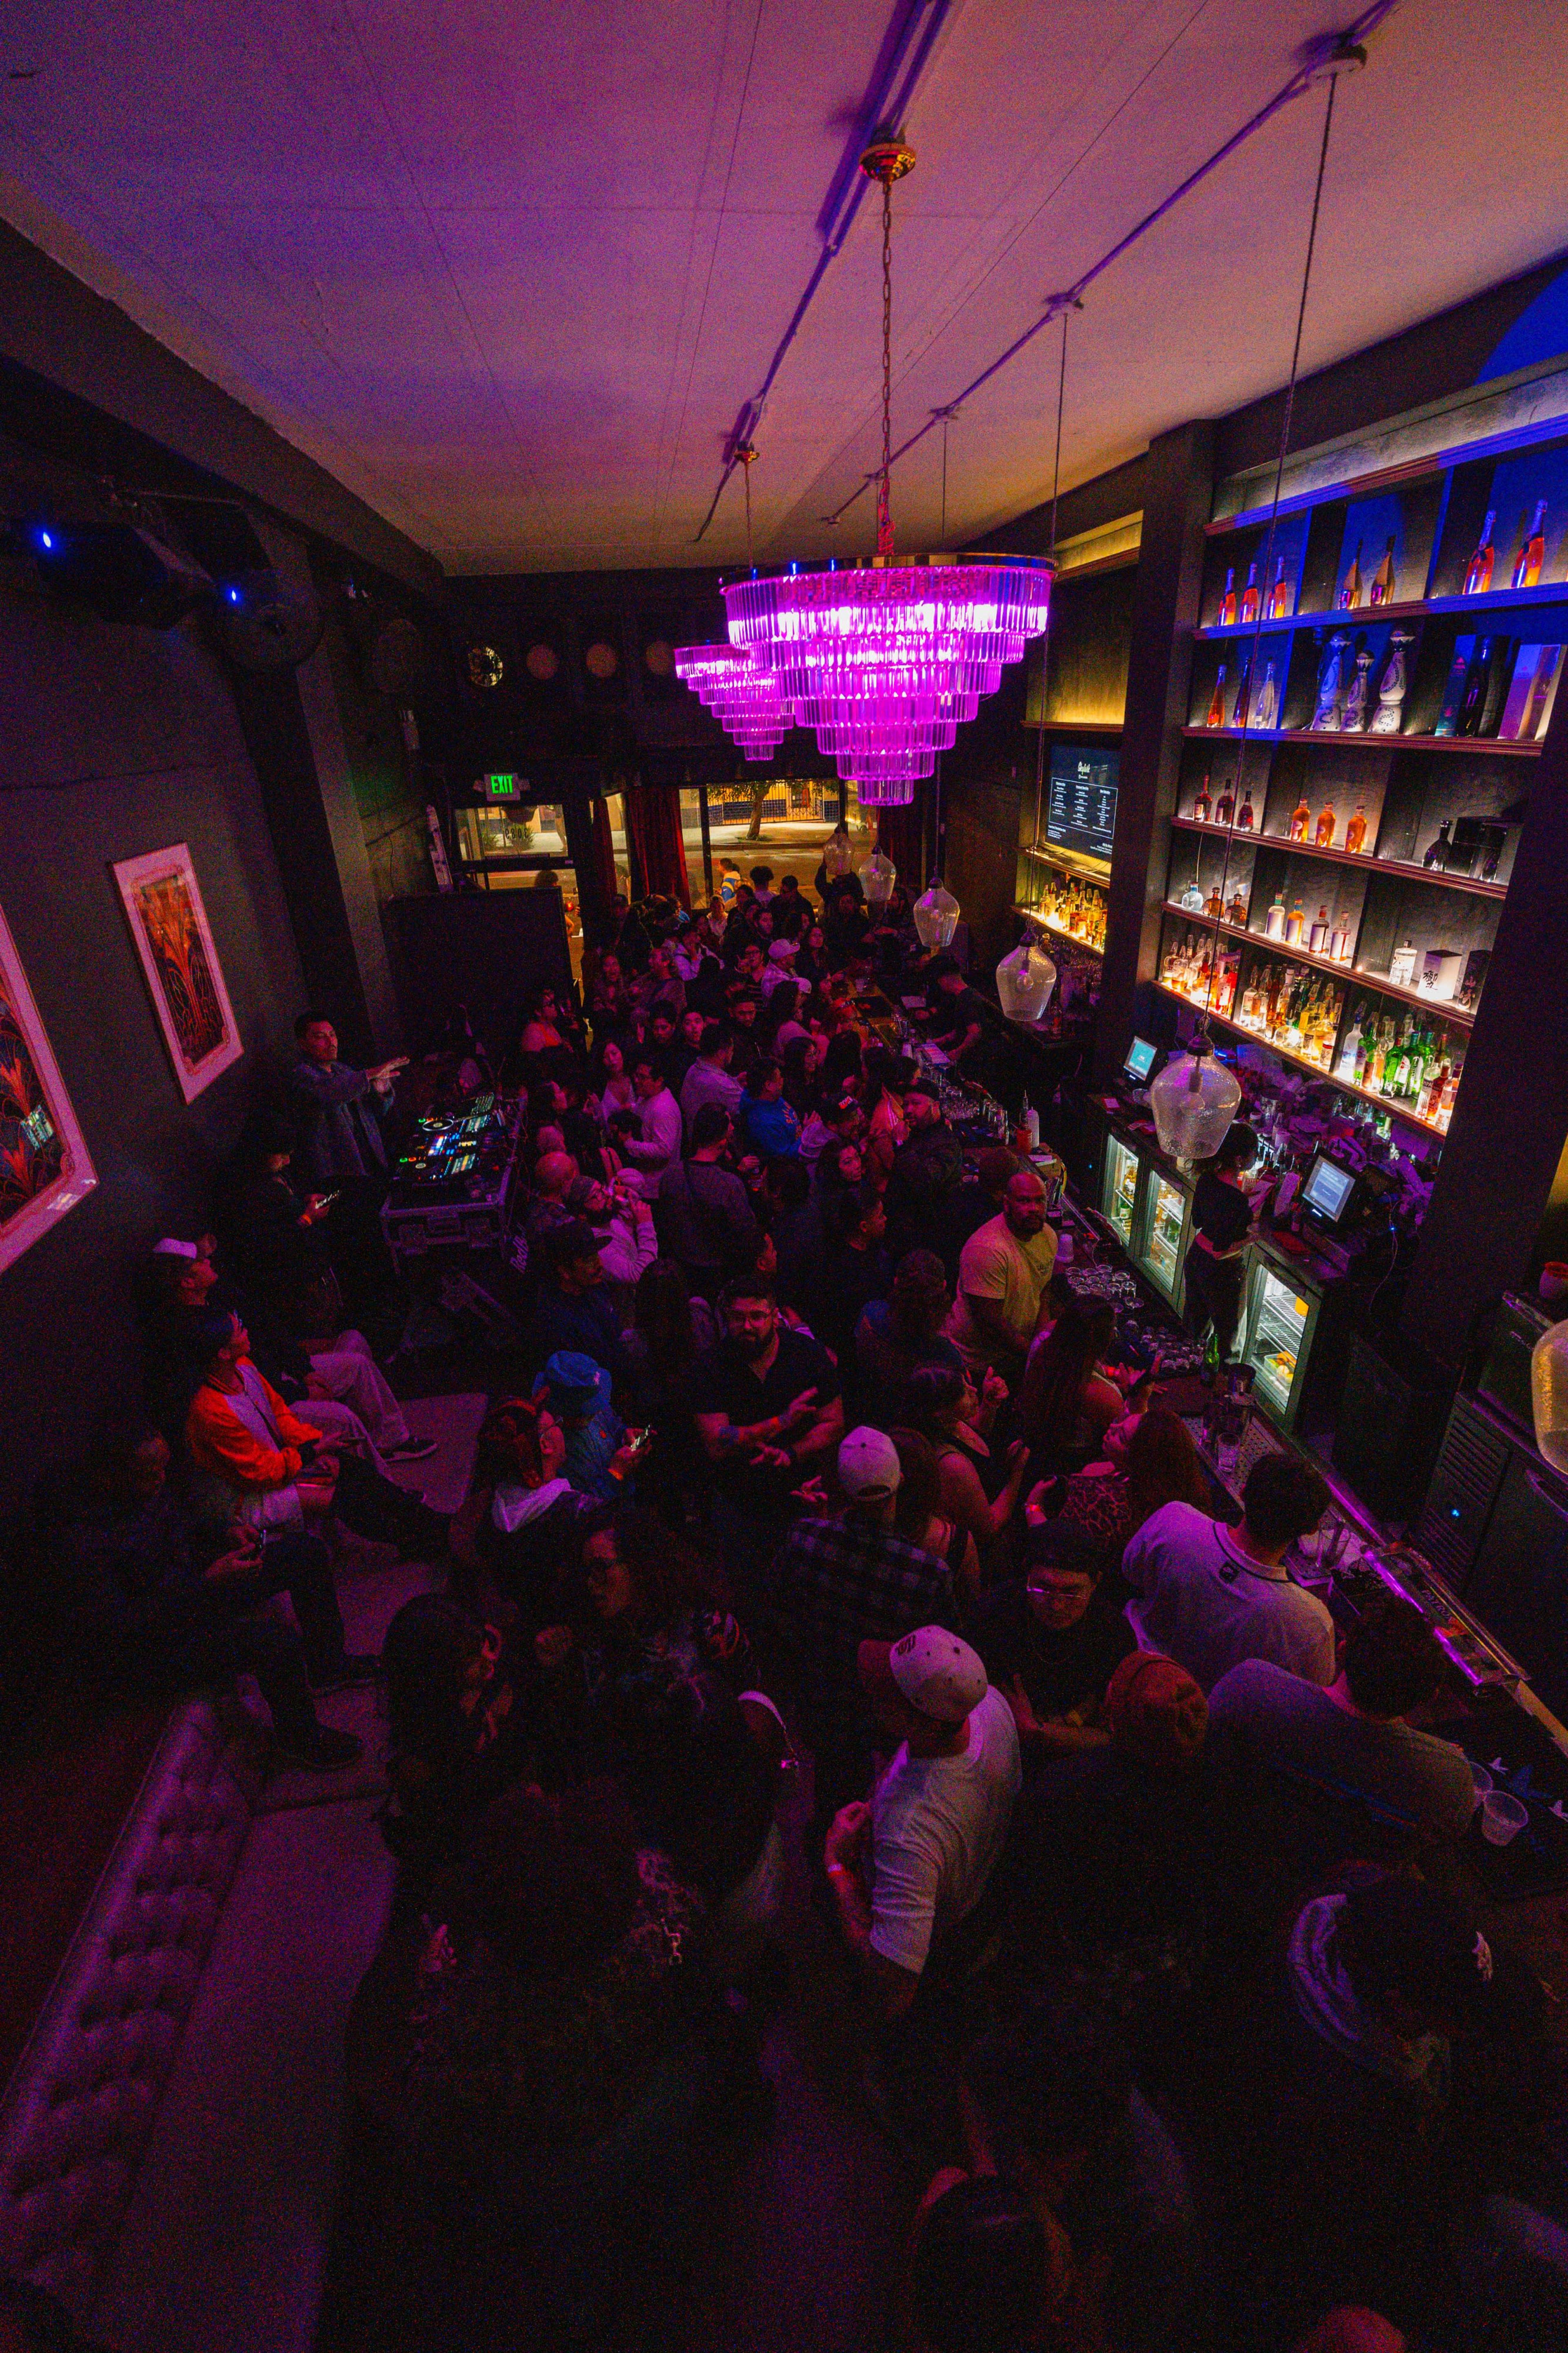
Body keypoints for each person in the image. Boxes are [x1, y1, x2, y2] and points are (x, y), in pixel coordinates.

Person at [52, 1422, 363, 1770]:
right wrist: (208, 1583)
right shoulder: (82, 1541)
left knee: (305, 1553)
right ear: (114, 1478)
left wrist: (227, 1532)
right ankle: (302, 1741)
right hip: (161, 1645)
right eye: (151, 1473)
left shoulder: (147, 1494)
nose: (162, 1479)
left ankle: (329, 1665)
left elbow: (183, 1526)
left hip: (197, 1593)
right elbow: (125, 1627)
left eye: (164, 1469)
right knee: (276, 1641)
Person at [824, 1628, 1020, 2018]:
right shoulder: (990, 1705)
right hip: (977, 1895)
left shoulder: (909, 1834)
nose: (874, 1692)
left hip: (940, 1944)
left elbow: (892, 1993)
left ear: (919, 1721)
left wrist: (839, 1867)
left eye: (889, 1692)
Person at [771, 1428, 956, 1819]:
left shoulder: (802, 1536)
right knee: (896, 1801)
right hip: (889, 1708)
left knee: (834, 1801)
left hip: (824, 1698)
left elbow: (784, 1614)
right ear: (900, 1481)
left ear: (841, 1486)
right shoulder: (928, 1573)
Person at [1207, 1593, 1477, 1843]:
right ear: (1428, 1697)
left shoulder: (1249, 1687)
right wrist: (1438, 1756)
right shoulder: (1449, 1779)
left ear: (1343, 1650)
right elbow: (1446, 1836)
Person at [1122, 1450, 1334, 1692]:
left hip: (1128, 1665)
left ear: (1243, 1492)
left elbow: (1129, 1570)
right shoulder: (1312, 1623)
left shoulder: (1174, 1518)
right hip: (1199, 1712)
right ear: (1311, 1529)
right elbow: (1311, 1696)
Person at [689, 1278, 843, 1594]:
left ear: (775, 1316)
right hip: (738, 1503)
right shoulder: (710, 1367)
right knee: (748, 1590)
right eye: (737, 1317)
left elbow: (834, 1422)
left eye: (757, 1316)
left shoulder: (808, 1356)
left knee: (808, 1588)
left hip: (801, 1497)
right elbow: (717, 1443)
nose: (747, 1326)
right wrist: (781, 1422)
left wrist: (793, 1453)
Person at [378, 1593, 522, 1884]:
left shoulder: (485, 1656)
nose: (487, 1665)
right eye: (470, 1662)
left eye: (484, 1650)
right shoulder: (427, 1747)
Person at [971, 1519, 1136, 1757]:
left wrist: (1037, 1731)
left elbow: (1118, 1737)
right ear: (1027, 1575)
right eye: (1044, 1588)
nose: (1056, 1606)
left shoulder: (1113, 1633)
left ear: (1095, 1583)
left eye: (1072, 1592)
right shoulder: (994, 1614)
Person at [1046, 1404, 1209, 1565]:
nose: (1112, 1428)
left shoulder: (1103, 1503)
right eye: (1121, 1422)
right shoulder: (1146, 1482)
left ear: (1140, 1460)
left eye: (1122, 1437)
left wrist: (1033, 1507)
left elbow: (1059, 1550)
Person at [905, 1362, 1030, 1563]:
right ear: (942, 1413)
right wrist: (1017, 1473)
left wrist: (989, 1404)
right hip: (986, 1558)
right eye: (964, 1392)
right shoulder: (952, 1464)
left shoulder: (950, 1424)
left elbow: (978, 1430)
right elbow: (990, 1529)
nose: (974, 1390)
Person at [945, 1168, 1058, 1380]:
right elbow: (991, 1323)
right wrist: (1035, 1355)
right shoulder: (988, 1249)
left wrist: (1041, 1341)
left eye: (1039, 1201)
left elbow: (1043, 1292)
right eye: (1024, 1201)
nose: (1033, 1209)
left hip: (1016, 1354)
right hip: (979, 1363)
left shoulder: (1048, 1237)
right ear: (1007, 1204)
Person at [288, 1010, 407, 1191]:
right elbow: (331, 1092)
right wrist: (370, 1074)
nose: (331, 1042)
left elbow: (376, 1112)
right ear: (303, 1044)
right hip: (341, 1176)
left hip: (372, 1162)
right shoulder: (301, 1076)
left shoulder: (342, 1070)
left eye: (333, 1035)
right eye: (321, 1037)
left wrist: (381, 1092)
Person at [656, 1103, 760, 1287]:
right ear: (722, 1143)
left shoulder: (671, 1175)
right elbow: (745, 1234)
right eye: (730, 1127)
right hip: (716, 1273)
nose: (734, 1128)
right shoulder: (729, 1185)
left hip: (680, 1268)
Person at [854, 1249, 963, 1422]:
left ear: (896, 1282)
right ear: (943, 1286)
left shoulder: (870, 1314)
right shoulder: (947, 1355)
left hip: (870, 1414)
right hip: (919, 1429)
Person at [1018, 1296, 1126, 1471]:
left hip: (1035, 1452)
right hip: (1075, 1466)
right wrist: (1139, 1398)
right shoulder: (1099, 1395)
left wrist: (1114, 1373)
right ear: (1104, 1341)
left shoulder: (1046, 1340)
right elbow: (1129, 1444)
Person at [1184, 1120, 1260, 1363]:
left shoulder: (1206, 1180)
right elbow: (1222, 1249)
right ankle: (1222, 1391)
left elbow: (1199, 1222)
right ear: (1240, 1159)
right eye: (1254, 1153)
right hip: (1223, 1272)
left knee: (1195, 1331)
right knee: (1229, 1345)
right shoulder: (1237, 1201)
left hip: (1196, 1259)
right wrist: (1250, 1239)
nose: (1255, 1158)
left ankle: (1188, 1373)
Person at [524, 1216, 633, 1384]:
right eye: (589, 1261)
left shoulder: (595, 1287)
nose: (600, 1265)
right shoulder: (557, 1323)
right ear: (565, 1272)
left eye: (596, 1256)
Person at [813, 1182, 891, 1376]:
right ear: (864, 1227)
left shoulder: (869, 1251)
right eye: (880, 1216)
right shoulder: (848, 1275)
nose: (885, 1219)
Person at [617, 1053, 683, 1197]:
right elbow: (646, 1111)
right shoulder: (648, 1096)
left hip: (655, 1189)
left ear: (659, 1081)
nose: (636, 1081)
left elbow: (664, 1149)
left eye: (642, 1077)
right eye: (636, 1075)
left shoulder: (663, 1110)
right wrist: (631, 1107)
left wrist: (630, 1144)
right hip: (644, 1182)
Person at [678, 1021, 745, 1145]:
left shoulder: (694, 1069)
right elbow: (748, 1109)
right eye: (731, 1050)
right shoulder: (721, 1085)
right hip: (714, 1148)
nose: (732, 1054)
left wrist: (736, 1081)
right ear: (721, 1053)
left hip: (696, 1142)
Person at [923, 954, 987, 1068]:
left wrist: (958, 1052)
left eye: (939, 980)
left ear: (946, 979)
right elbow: (963, 1028)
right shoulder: (965, 996)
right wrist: (944, 1039)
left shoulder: (968, 999)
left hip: (972, 1061)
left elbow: (975, 1032)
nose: (939, 984)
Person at [736, 1060, 802, 1159]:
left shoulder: (771, 1097)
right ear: (768, 1086)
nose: (783, 1081)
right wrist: (807, 1135)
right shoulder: (764, 1123)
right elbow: (786, 1158)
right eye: (779, 1078)